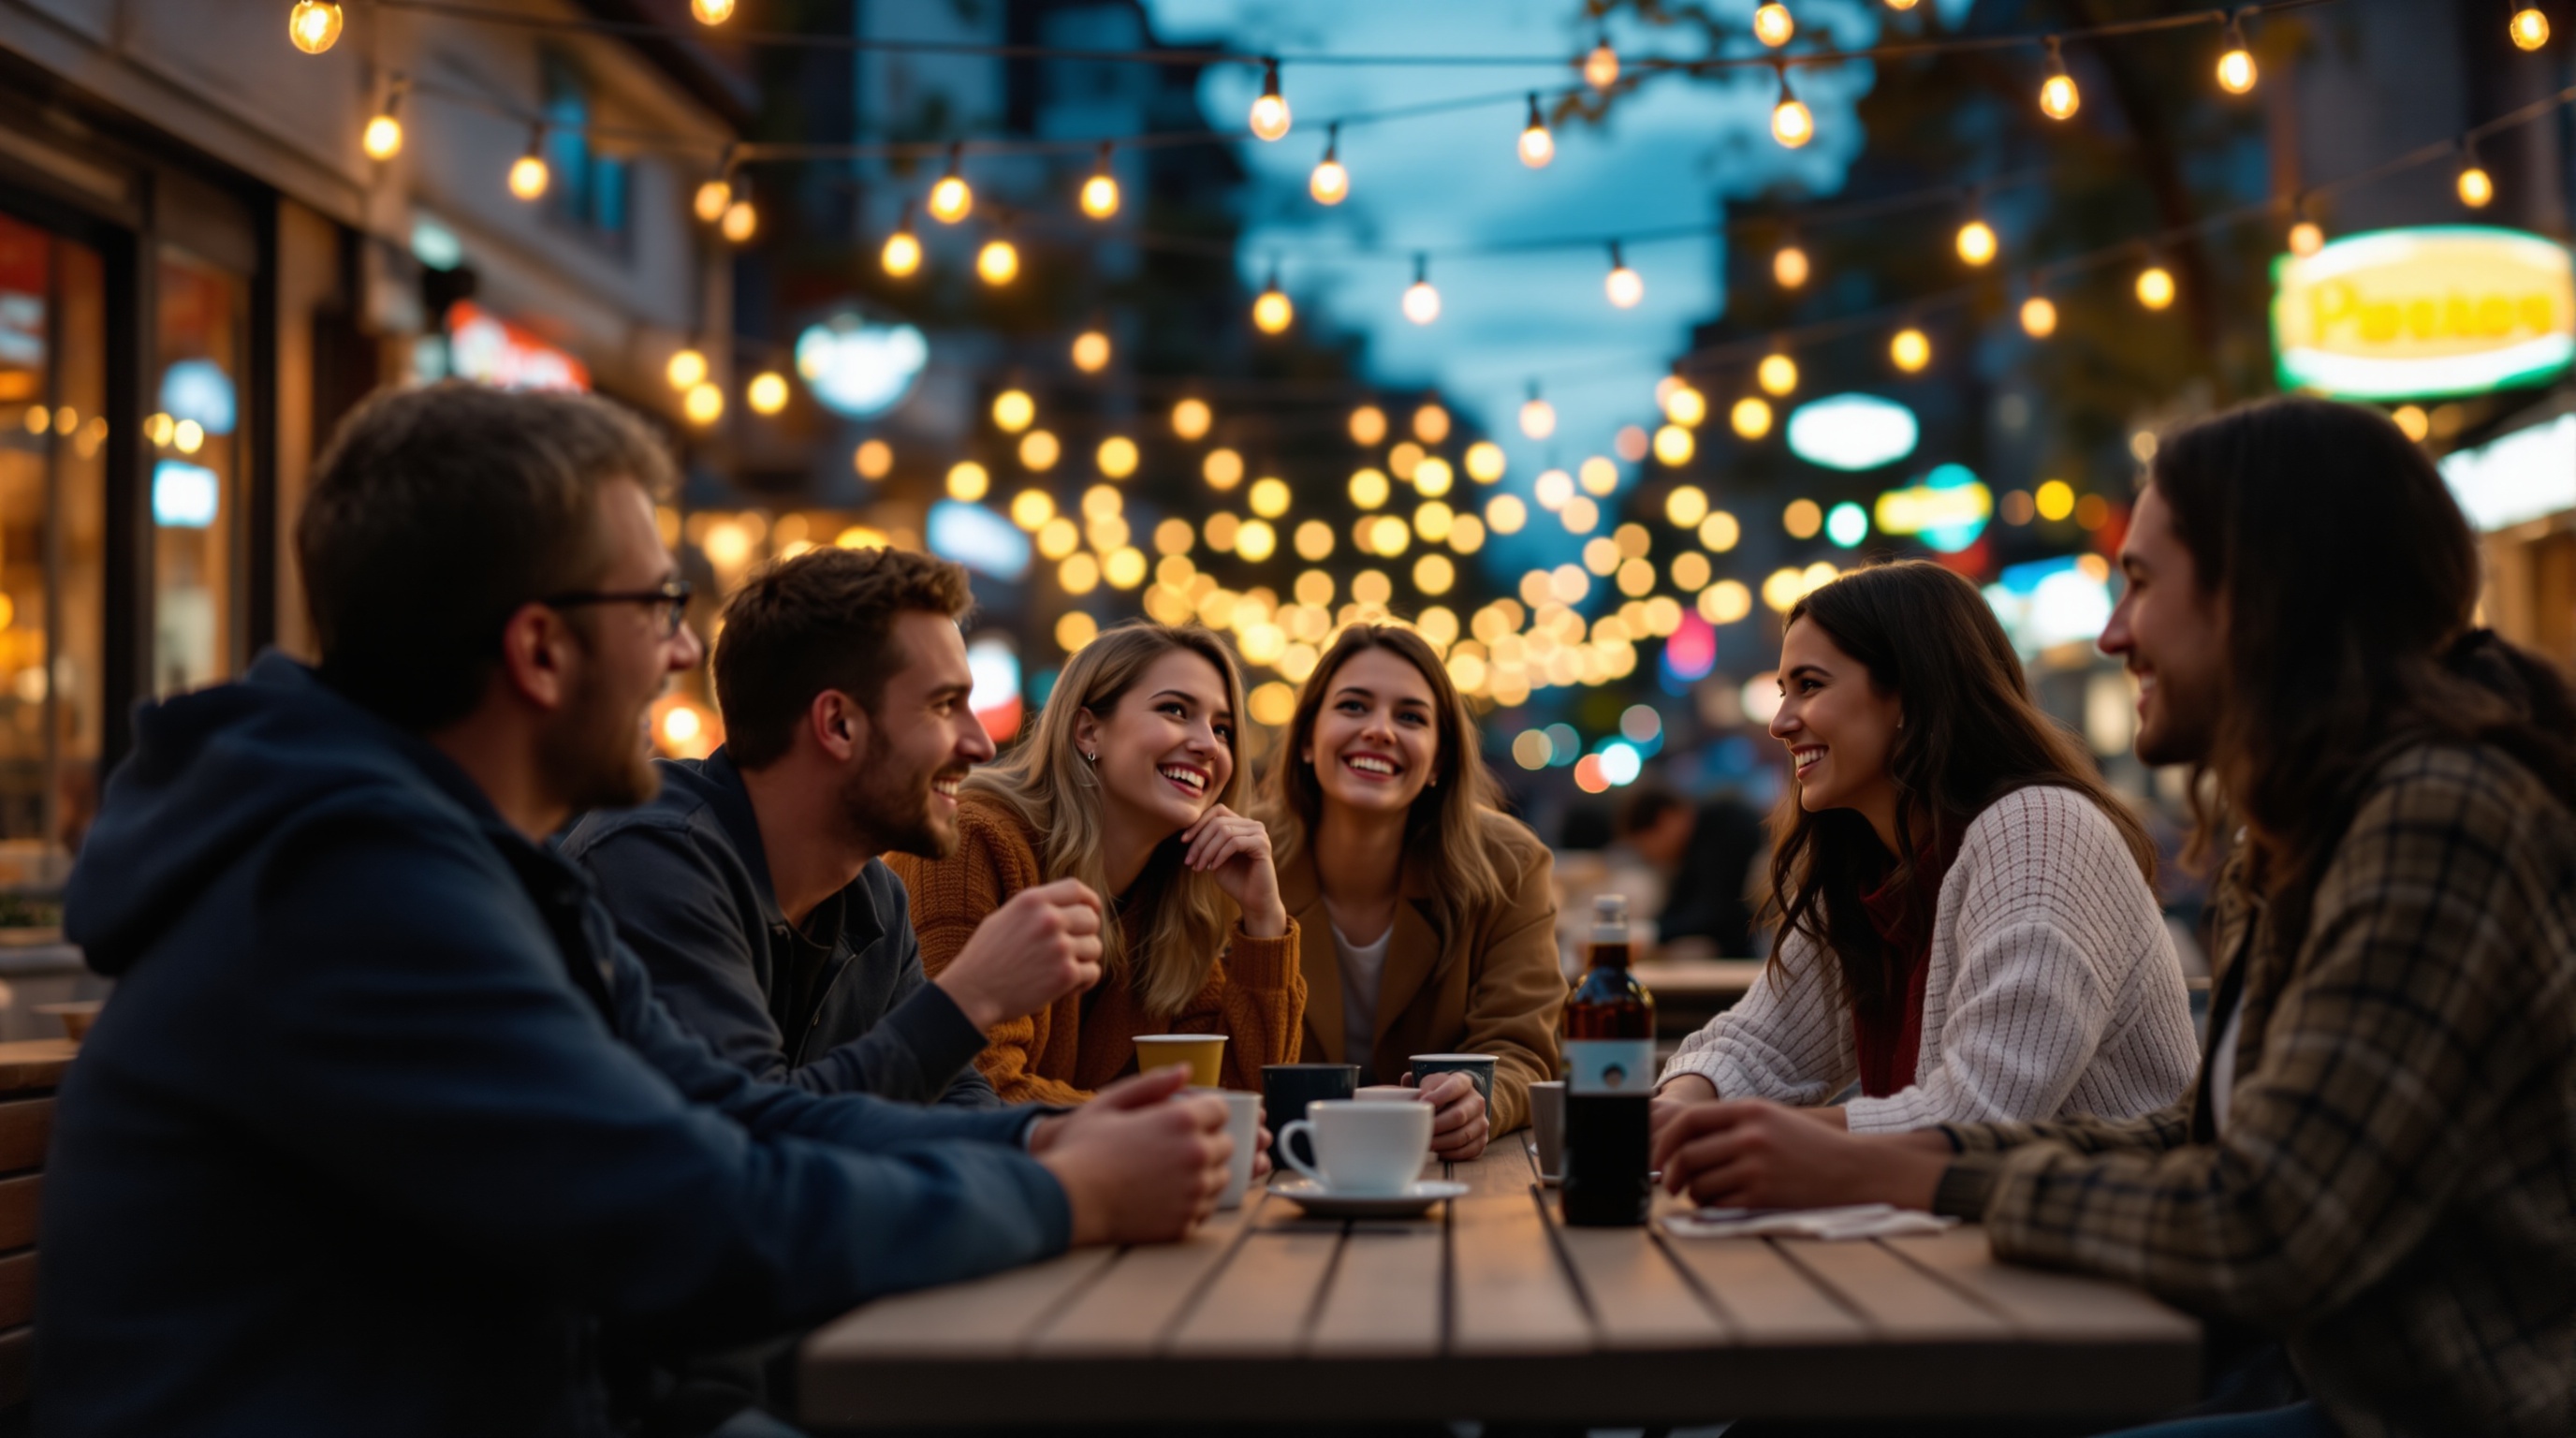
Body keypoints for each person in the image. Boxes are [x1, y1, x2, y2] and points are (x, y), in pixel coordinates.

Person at [36, 384, 1232, 1437]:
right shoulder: (347, 892)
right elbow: (698, 1219)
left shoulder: (470, 866)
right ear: (541, 650)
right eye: (657, 606)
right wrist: (1065, 1195)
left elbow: (727, 1114)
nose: (679, 652)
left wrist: (1035, 1143)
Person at [1651, 398, 2576, 1438]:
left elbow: (2270, 1224)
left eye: (2140, 582)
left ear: (2261, 594)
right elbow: (2200, 1137)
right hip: (2286, 1370)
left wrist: (1909, 1169)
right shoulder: (2300, 833)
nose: (2111, 631)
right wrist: (1888, 1158)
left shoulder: (2437, 815)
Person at [1655, 560, 2198, 1134]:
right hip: (1954, 1194)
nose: (1780, 723)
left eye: (1809, 686)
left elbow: (1979, 1112)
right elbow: (1763, 1041)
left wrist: (1749, 1133)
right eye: (1783, 692)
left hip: (2102, 1195)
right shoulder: (1870, 861)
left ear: (1911, 695)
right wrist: (1677, 1107)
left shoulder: (2041, 830)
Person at [564, 546, 1100, 1106]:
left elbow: (956, 1104)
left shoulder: (874, 897)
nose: (982, 744)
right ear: (838, 724)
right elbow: (744, 1129)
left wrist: (1092, 1132)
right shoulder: (652, 857)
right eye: (945, 705)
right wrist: (969, 999)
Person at [890, 621, 1303, 1104]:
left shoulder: (1171, 904)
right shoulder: (970, 840)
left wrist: (1264, 920)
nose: (1209, 745)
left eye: (1223, 729)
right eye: (1175, 710)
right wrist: (1145, 1126)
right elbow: (973, 1088)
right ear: (1088, 731)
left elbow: (1241, 1099)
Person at [1258, 624, 1565, 1158]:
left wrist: (1479, 1099)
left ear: (1439, 760)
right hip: (1279, 1158)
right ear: (1307, 739)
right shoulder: (1238, 858)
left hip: (1448, 1172)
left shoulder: (1510, 863)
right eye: (1353, 706)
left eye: (1410, 717)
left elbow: (1523, 1046)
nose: (1379, 730)